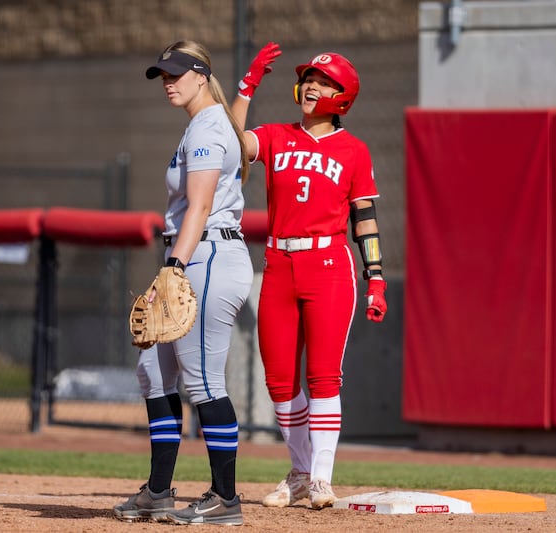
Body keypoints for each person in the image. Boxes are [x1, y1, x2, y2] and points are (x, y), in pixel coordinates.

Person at [231, 43, 388, 510]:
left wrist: (376, 277)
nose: (312, 86)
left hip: (329, 266)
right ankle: (300, 471)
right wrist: (247, 85)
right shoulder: (277, 135)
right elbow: (231, 142)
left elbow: (365, 219)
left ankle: (319, 477)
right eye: (309, 78)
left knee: (323, 378)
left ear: (343, 96)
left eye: (323, 81)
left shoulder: (354, 151)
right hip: (279, 264)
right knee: (279, 381)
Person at [112, 40, 253, 526]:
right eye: (162, 75)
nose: (168, 82)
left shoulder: (209, 126)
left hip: (208, 253)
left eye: (176, 73)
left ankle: (225, 499)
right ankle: (158, 491)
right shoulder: (202, 125)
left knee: (204, 380)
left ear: (200, 74)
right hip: (193, 253)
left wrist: (172, 268)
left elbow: (198, 206)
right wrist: (172, 265)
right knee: (153, 371)